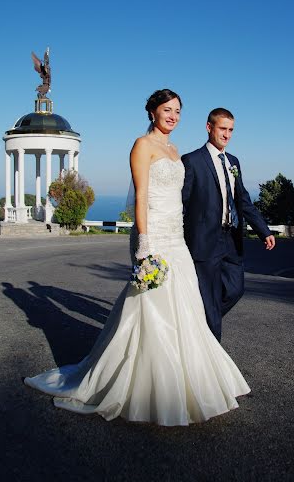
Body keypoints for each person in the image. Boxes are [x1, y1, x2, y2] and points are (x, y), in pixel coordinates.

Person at [24, 90, 250, 426]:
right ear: (153, 112)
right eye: (167, 110)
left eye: (177, 111)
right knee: (152, 308)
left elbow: (186, 199)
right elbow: (142, 196)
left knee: (186, 308)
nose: (173, 116)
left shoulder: (174, 151)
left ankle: (190, 382)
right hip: (154, 236)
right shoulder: (142, 145)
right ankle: (148, 386)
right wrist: (144, 245)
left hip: (177, 238)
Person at [182, 108, 275, 342]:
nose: (227, 135)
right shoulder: (192, 161)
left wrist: (263, 230)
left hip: (231, 239)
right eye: (222, 128)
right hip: (203, 241)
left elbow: (243, 200)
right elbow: (181, 203)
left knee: (235, 289)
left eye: (231, 130)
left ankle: (198, 323)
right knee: (210, 297)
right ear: (209, 127)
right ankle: (211, 352)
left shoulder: (233, 162)